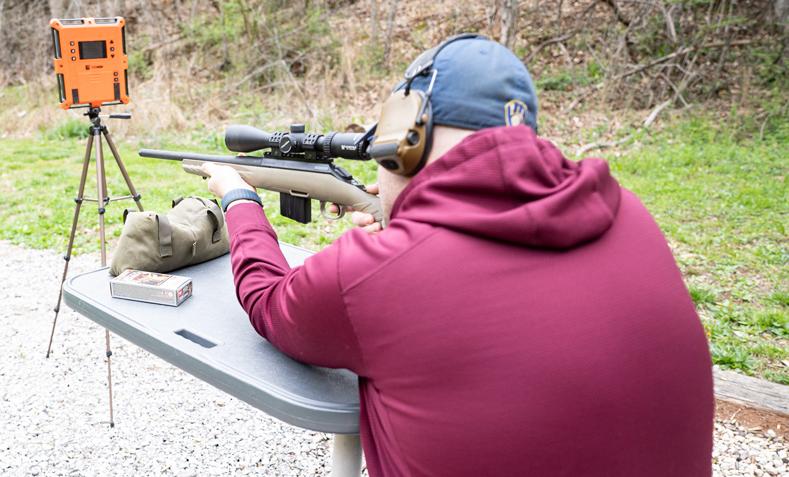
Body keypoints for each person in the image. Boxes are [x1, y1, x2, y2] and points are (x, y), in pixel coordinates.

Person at [201, 36, 714, 476]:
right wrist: (409, 228)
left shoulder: (374, 272)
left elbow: (268, 300)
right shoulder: (628, 214)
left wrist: (237, 197)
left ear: (404, 139)